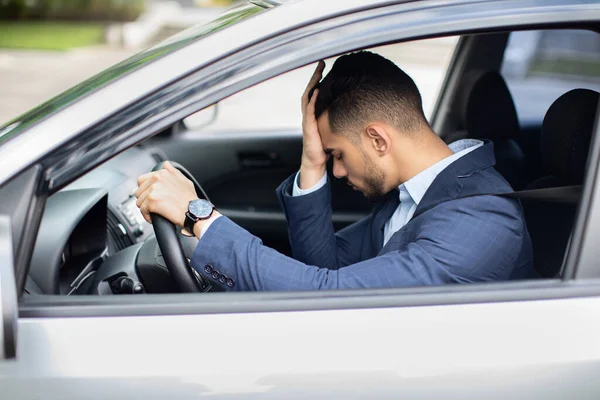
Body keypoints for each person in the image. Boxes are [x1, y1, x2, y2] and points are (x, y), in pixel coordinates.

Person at [135, 51, 533, 291]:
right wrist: (313, 160)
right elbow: (322, 266)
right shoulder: (417, 194)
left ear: (378, 140)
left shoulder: (480, 217)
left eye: (337, 154)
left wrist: (198, 216)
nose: (337, 171)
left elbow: (325, 290)